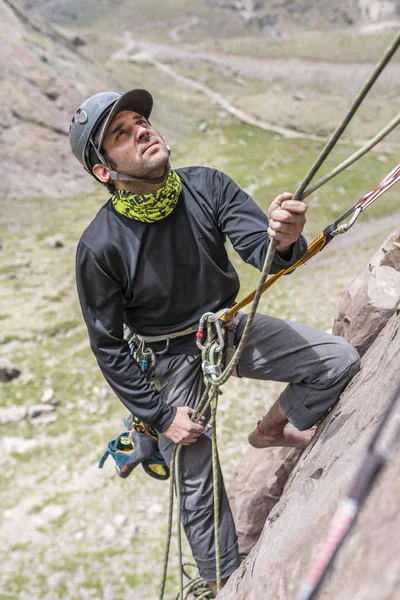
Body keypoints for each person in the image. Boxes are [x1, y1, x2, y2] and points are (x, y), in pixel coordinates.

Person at [69, 88, 360, 596]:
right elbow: (108, 345)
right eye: (121, 132)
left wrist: (284, 238)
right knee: (199, 487)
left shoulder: (206, 186)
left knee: (337, 360)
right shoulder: (100, 246)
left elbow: (262, 252)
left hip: (224, 329)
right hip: (166, 361)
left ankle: (271, 428)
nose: (142, 129)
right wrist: (161, 415)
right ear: (103, 171)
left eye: (140, 120)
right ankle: (223, 583)